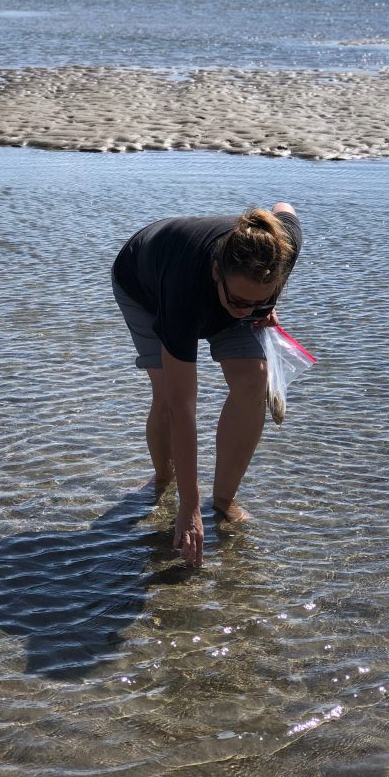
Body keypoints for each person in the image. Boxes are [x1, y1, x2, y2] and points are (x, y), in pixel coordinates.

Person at [111, 203, 302, 567]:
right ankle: (163, 482)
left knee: (253, 379)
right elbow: (184, 406)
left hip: (218, 286)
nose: (246, 312)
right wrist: (187, 505)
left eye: (261, 300)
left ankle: (225, 500)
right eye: (240, 302)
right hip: (144, 282)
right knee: (168, 395)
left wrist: (259, 306)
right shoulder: (183, 292)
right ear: (217, 271)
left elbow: (285, 208)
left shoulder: (283, 248)